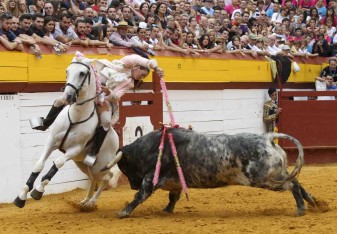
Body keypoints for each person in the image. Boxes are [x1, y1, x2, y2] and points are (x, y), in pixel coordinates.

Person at [31, 54, 164, 162]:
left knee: (106, 121)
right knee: (62, 99)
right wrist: (155, 67)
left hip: (103, 97)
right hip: (92, 86)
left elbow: (117, 96)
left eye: (144, 77)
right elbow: (140, 59)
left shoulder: (130, 84)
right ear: (137, 68)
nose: (142, 77)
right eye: (142, 74)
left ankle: (94, 151)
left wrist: (108, 92)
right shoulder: (126, 62)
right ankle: (45, 123)